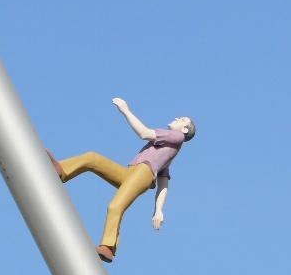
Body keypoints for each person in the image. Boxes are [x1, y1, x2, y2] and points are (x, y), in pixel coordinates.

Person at [48, 98, 195, 263]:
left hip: (143, 173)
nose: (177, 118)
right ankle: (61, 170)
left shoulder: (176, 137)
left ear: (184, 129)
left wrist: (126, 110)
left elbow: (144, 133)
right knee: (92, 159)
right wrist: (158, 209)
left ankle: (108, 247)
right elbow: (164, 181)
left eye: (181, 120)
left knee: (116, 206)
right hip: (131, 173)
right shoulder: (168, 147)